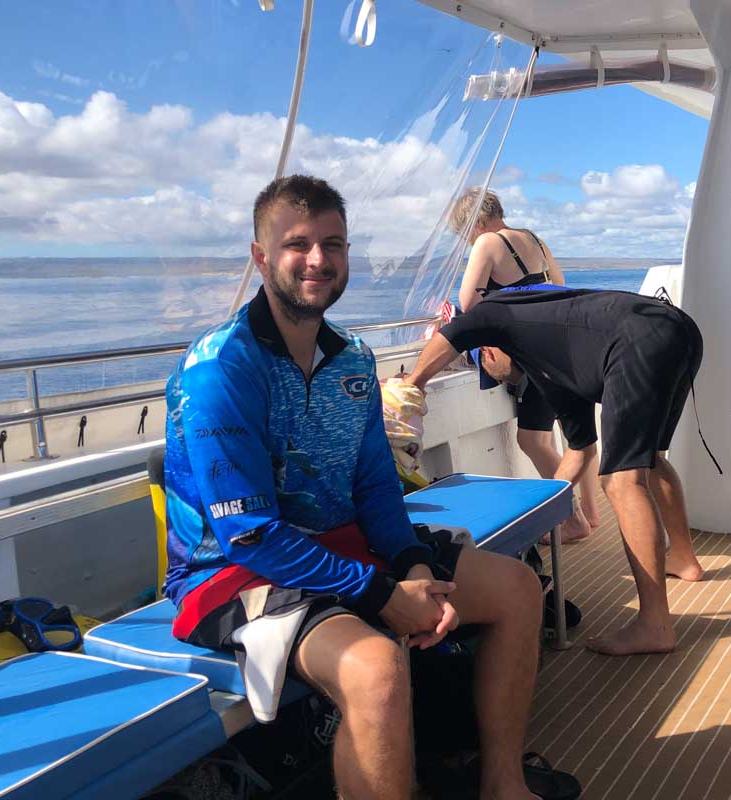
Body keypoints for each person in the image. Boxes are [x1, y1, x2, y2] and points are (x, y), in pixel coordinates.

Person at [163, 175, 575, 800]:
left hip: (344, 545)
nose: (318, 260)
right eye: (297, 244)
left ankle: (503, 784)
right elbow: (247, 533)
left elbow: (378, 487)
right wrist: (382, 593)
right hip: (231, 573)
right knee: (376, 668)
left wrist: (408, 564)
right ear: (261, 257)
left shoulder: (353, 360)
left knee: (519, 589)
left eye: (333, 243)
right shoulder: (222, 368)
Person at [407, 287, 706, 657]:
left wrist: (411, 386)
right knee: (652, 458)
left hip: (637, 338)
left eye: (491, 372)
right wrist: (540, 511)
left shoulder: (499, 313)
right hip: (676, 331)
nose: (501, 380)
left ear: (487, 350)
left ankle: (655, 625)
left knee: (621, 480)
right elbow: (580, 451)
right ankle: (684, 558)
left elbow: (455, 332)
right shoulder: (549, 368)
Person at [449, 187, 601, 541]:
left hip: (536, 354)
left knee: (533, 440)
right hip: (566, 346)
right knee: (575, 436)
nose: (467, 239)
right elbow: (558, 287)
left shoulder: (488, 243)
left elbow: (469, 302)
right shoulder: (536, 239)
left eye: (464, 231)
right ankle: (592, 512)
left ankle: (573, 520)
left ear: (477, 221)